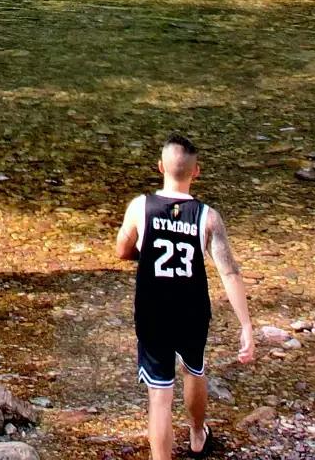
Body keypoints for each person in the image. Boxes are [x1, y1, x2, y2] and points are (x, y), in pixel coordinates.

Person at [115, 134, 257, 460]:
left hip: (153, 312)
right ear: (196, 172)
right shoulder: (207, 217)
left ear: (160, 166)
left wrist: (143, 251)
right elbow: (230, 273)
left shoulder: (141, 207)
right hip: (192, 311)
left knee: (160, 398)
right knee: (195, 368)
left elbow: (122, 249)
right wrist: (246, 324)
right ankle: (196, 435)